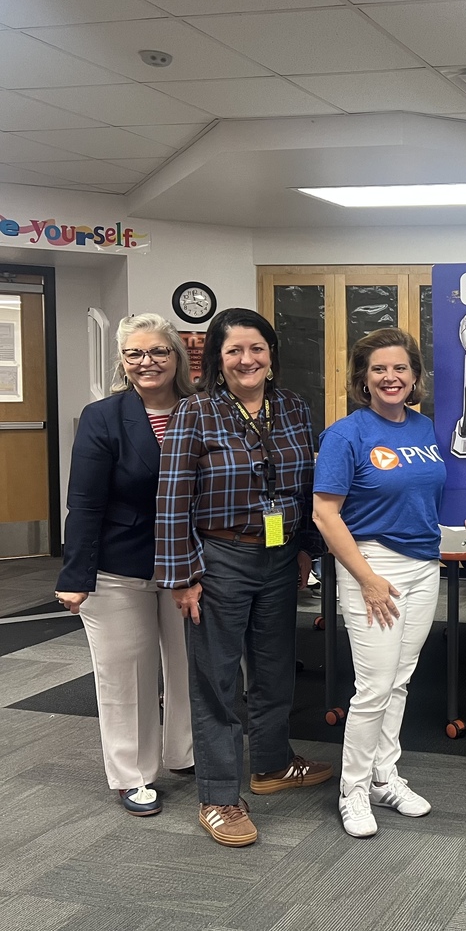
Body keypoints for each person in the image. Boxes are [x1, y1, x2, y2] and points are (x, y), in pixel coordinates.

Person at [155, 308, 331, 848]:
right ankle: (219, 796)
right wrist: (183, 577)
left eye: (256, 349)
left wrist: (306, 549)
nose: (246, 359)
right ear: (216, 358)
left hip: (279, 558)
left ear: (271, 355)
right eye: (234, 351)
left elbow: (307, 484)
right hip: (219, 560)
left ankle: (272, 764)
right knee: (218, 682)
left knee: (277, 670)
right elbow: (171, 497)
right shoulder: (196, 411)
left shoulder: (293, 407)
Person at [55, 314, 195, 816]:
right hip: (119, 567)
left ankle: (186, 752)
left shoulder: (201, 410)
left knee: (189, 667)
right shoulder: (103, 416)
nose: (147, 362)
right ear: (123, 361)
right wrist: (76, 576)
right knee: (125, 674)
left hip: (190, 567)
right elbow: (86, 502)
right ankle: (134, 775)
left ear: (176, 357)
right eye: (135, 354)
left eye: (158, 351)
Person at [312, 328, 447, 838]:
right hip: (374, 567)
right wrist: (366, 579)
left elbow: (426, 494)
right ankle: (352, 789)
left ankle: (384, 776)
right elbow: (326, 514)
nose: (391, 377)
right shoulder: (347, 434)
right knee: (372, 688)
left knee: (400, 680)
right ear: (362, 379)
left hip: (423, 565)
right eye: (379, 370)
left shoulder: (424, 427)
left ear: (415, 377)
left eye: (400, 369)